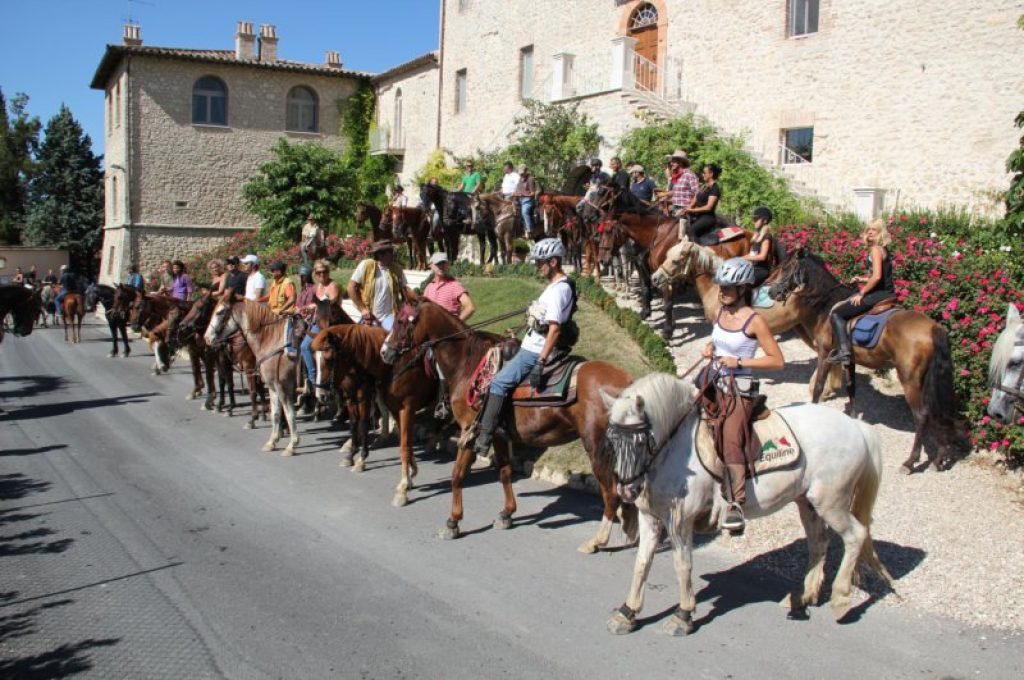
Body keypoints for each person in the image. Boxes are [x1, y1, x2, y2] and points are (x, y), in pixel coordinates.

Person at [699, 257, 785, 533]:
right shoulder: (720, 312)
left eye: (727, 287)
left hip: (740, 388)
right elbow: (718, 339)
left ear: (743, 288)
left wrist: (740, 362)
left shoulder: (755, 320)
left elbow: (777, 361)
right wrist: (709, 348)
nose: (721, 291)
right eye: (720, 286)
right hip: (713, 378)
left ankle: (735, 503)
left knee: (730, 438)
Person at [473, 238, 576, 459]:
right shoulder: (554, 287)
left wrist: (540, 361)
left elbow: (555, 329)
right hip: (531, 344)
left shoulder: (559, 290)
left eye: (541, 262)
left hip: (534, 351)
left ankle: (485, 437)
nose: (537, 266)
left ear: (554, 262)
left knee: (498, 383)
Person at [827, 218, 896, 364]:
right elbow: (880, 275)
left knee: (837, 314)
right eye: (868, 229)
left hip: (878, 295)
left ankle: (844, 352)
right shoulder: (883, 249)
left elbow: (877, 277)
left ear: (880, 233)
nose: (870, 232)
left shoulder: (876, 249)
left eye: (874, 230)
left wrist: (861, 293)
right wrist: (862, 278)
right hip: (886, 292)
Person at [347, 240, 417, 331]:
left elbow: (405, 289)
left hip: (389, 316)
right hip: (369, 315)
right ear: (380, 254)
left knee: (394, 336)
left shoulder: (397, 269)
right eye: (390, 252)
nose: (393, 254)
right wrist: (362, 309)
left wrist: (417, 300)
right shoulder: (367, 265)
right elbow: (350, 287)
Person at [300, 259, 344, 394]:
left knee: (306, 346)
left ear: (328, 272)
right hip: (317, 321)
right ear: (315, 274)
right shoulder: (318, 287)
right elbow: (318, 304)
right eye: (318, 273)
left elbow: (330, 303)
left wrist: (314, 306)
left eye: (324, 272)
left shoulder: (333, 285)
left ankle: (315, 380)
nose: (322, 275)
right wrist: (308, 308)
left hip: (330, 322)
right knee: (301, 344)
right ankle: (311, 379)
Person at [423, 252, 475, 321]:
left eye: (443, 263)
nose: (441, 266)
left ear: (447, 265)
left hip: (450, 330)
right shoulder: (429, 287)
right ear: (431, 266)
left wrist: (456, 324)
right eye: (438, 264)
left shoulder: (455, 286)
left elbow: (470, 307)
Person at [684, 163, 722, 243]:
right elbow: (694, 200)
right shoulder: (703, 187)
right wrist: (687, 209)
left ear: (711, 174)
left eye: (704, 173)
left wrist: (692, 210)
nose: (702, 174)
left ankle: (698, 251)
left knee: (691, 230)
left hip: (707, 218)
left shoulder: (715, 188)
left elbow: (708, 207)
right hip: (697, 216)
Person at [294, 265, 317, 393]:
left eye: (301, 276)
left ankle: (311, 378)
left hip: (310, 321)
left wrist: (305, 311)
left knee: (303, 345)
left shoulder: (313, 289)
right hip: (300, 319)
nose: (300, 278)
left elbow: (315, 305)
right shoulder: (302, 291)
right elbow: (297, 306)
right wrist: (297, 310)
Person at [742, 207, 777, 286]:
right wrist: (738, 259)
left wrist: (743, 258)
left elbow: (762, 256)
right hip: (753, 268)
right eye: (753, 219)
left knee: (741, 282)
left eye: (756, 219)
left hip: (761, 271)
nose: (754, 222)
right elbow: (751, 255)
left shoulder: (766, 236)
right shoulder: (757, 237)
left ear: (765, 220)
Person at [514, 165, 537, 236]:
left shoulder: (530, 179)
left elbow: (533, 193)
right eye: (520, 173)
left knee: (524, 212)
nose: (521, 174)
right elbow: (517, 190)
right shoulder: (520, 180)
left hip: (528, 200)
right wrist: (515, 193)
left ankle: (530, 230)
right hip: (519, 200)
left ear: (526, 172)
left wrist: (523, 195)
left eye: (522, 173)